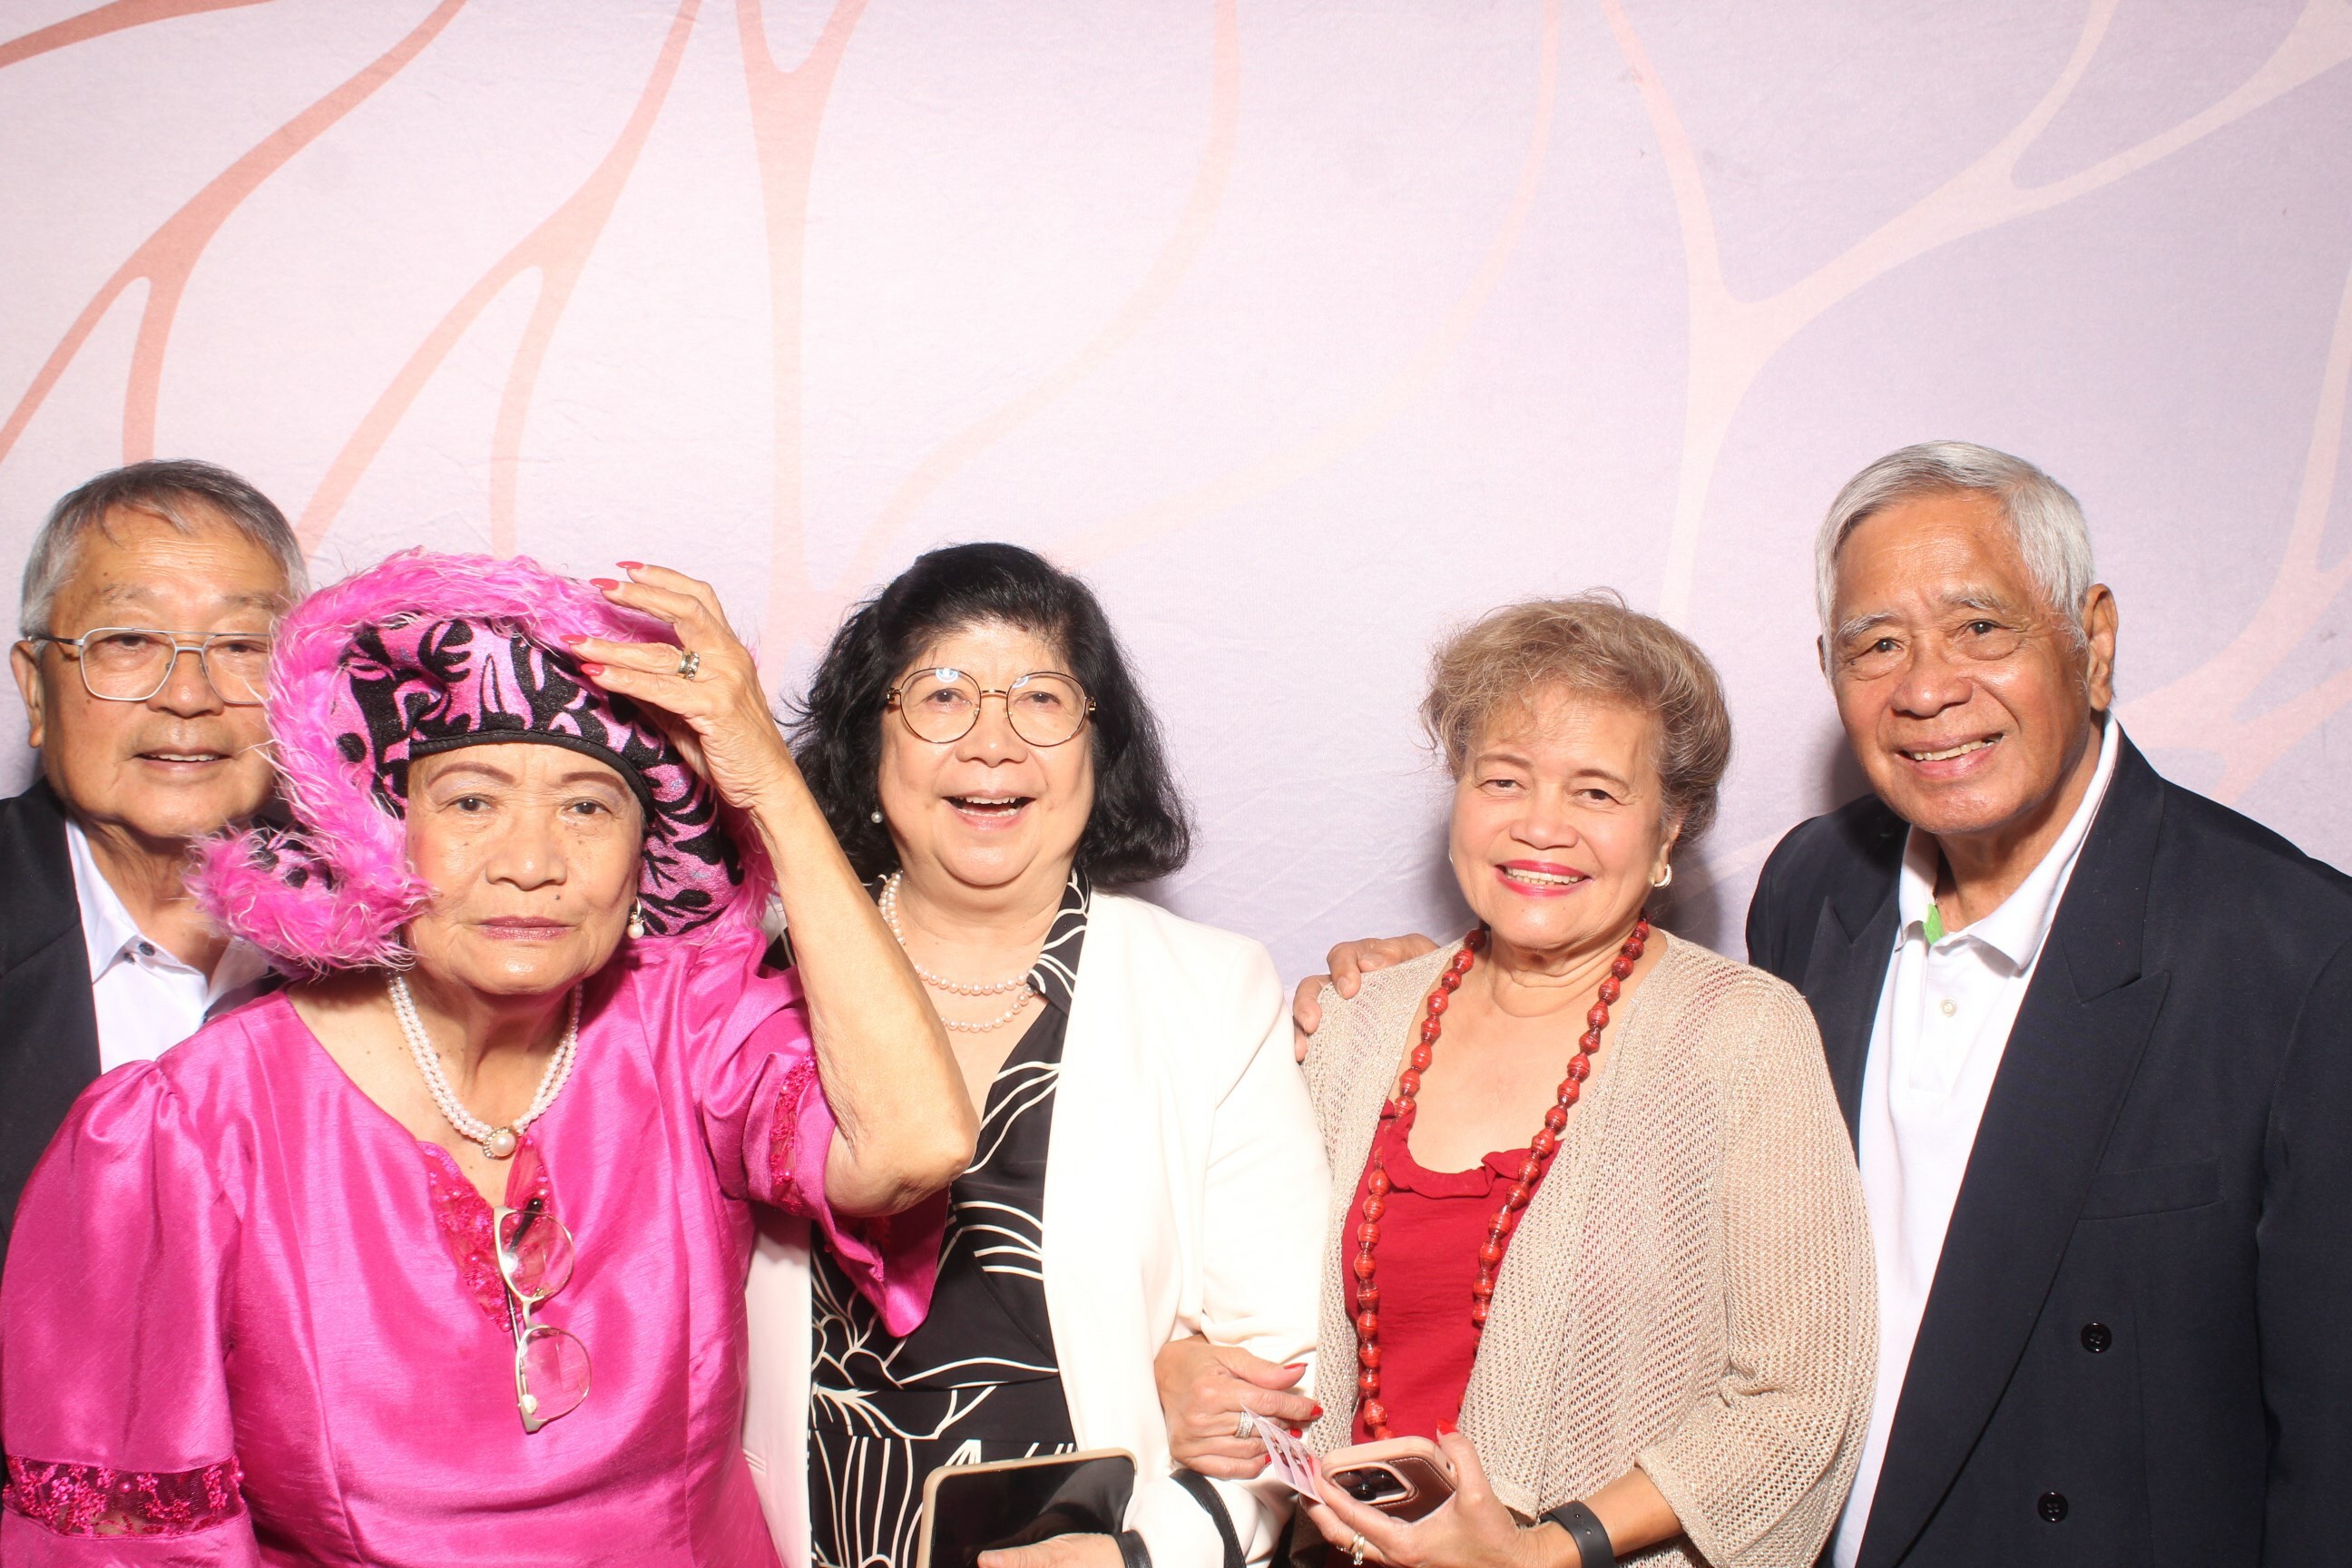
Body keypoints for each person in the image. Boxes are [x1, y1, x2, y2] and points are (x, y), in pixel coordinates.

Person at [0, 550, 975, 1565]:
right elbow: (128, 1546)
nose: (532, 863)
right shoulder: (187, 1129)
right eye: (471, 802)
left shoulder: (690, 1027)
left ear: (645, 850)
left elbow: (916, 1143)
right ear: (381, 832)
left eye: (589, 807)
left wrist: (768, 783)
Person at [1164, 596, 1874, 1568]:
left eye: (1596, 793)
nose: (1541, 826)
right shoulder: (1356, 1025)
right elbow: (1212, 1303)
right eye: (1503, 779)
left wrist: (1547, 1549)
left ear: (1668, 830)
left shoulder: (1742, 1035)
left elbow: (1802, 1397)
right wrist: (1184, 1369)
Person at [1744, 443, 2352, 1566]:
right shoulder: (1810, 893)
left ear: (2093, 641)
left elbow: (2334, 1461)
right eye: (1878, 645)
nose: (1927, 689)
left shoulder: (2298, 957)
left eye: (1981, 627)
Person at [739, 544, 1329, 1568]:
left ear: (1099, 747)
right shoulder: (758, 983)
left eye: (1041, 701)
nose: (993, 745)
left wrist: (1142, 1557)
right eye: (942, 697)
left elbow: (1283, 1379)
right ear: (870, 741)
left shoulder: (1211, 992)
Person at [0, 460, 302, 1258]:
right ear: (35, 691)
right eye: (128, 640)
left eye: (241, 645)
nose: (189, 696)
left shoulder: (395, 933)